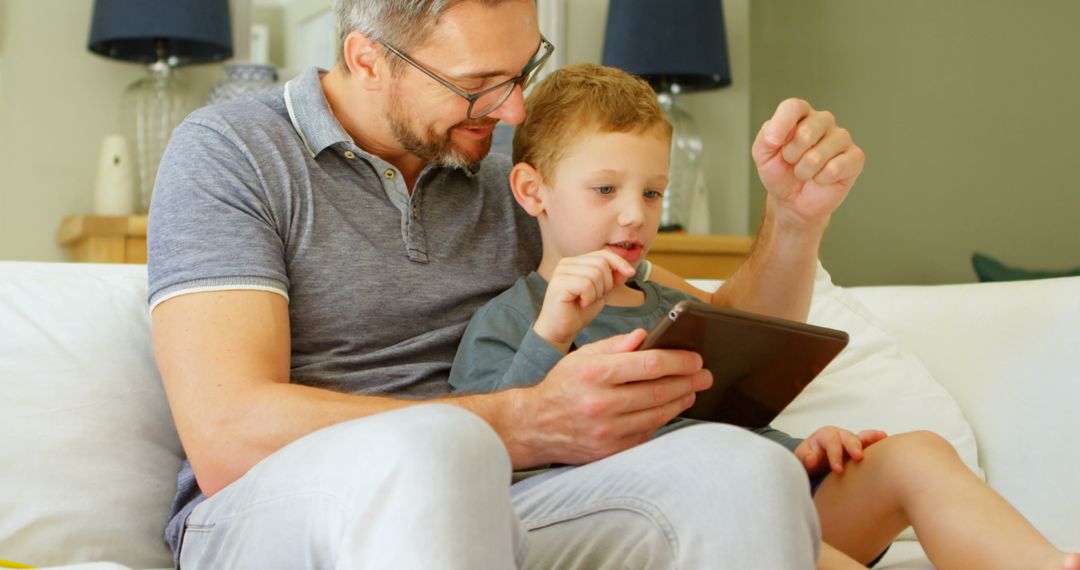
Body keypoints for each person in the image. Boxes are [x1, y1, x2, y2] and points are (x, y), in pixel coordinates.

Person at [147, 0, 873, 568]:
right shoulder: (232, 153)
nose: (514, 110)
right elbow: (227, 435)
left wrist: (795, 220)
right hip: (270, 516)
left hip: (502, 501)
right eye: (476, 86)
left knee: (740, 471)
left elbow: (720, 345)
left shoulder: (517, 178)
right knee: (437, 450)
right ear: (367, 60)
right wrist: (529, 420)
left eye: (523, 71)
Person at [449, 62, 1080, 570]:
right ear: (533, 191)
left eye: (651, 192)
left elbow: (727, 427)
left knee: (918, 453)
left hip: (771, 495)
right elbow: (489, 451)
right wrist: (551, 333)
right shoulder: (514, 319)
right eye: (606, 190)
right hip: (670, 520)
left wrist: (802, 447)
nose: (634, 215)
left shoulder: (679, 309)